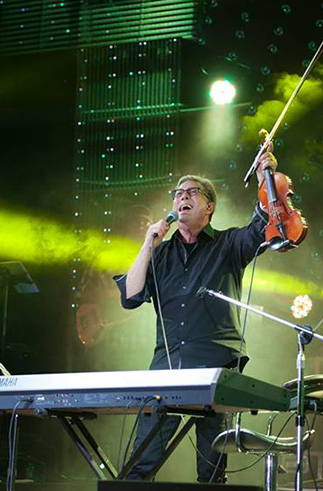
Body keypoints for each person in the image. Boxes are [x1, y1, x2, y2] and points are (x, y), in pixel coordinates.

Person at [113, 138, 279, 482]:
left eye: (192, 192)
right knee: (141, 463)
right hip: (167, 367)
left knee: (211, 469)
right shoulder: (160, 254)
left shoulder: (228, 244)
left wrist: (266, 177)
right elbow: (131, 297)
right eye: (178, 193)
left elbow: (262, 225)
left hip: (215, 366)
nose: (182, 197)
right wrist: (147, 244)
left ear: (210, 207)